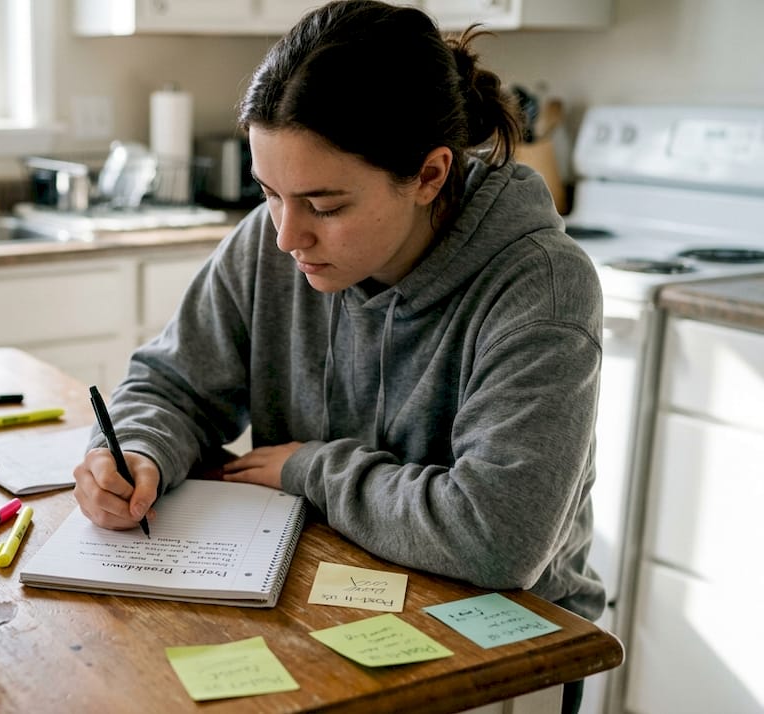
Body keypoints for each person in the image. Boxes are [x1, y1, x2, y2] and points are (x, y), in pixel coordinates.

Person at [73, 2, 602, 711]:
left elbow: (495, 537)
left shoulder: (541, 284)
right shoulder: (270, 241)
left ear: (430, 175)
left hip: (503, 655)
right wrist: (136, 451)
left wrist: (309, 467)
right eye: (269, 195)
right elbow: (171, 387)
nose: (289, 237)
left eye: (324, 206)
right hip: (318, 607)